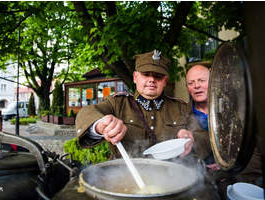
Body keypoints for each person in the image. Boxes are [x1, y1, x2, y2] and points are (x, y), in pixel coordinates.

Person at [75, 50, 211, 159]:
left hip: (169, 178)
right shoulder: (117, 103)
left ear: (165, 81)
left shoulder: (181, 107)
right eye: (146, 74)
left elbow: (204, 137)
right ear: (135, 77)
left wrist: (193, 139)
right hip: (123, 177)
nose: (152, 79)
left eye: (158, 76)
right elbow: (88, 112)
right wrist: (100, 125)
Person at [186, 65, 263, 187]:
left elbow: (258, 151)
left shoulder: (237, 110)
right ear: (187, 87)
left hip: (231, 184)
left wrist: (230, 166)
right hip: (194, 185)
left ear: (212, 83)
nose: (196, 86)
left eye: (202, 80)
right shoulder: (181, 113)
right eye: (191, 83)